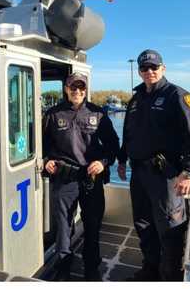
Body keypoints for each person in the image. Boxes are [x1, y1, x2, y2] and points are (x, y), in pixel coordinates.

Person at [117, 49, 190, 281]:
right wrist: (122, 159)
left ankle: (170, 277)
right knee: (143, 223)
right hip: (139, 172)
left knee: (169, 227)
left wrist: (189, 171)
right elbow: (129, 133)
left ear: (163, 68)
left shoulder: (177, 95)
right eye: (144, 68)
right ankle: (150, 270)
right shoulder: (135, 100)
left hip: (166, 175)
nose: (149, 72)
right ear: (139, 71)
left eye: (154, 67)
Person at [43, 72, 120, 280]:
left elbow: (113, 145)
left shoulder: (99, 114)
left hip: (91, 180)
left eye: (81, 87)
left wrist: (103, 163)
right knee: (63, 228)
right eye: (73, 87)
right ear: (66, 89)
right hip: (64, 179)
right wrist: (45, 160)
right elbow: (42, 145)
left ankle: (91, 269)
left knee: (92, 226)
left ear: (86, 90)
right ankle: (63, 269)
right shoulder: (52, 114)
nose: (77, 91)